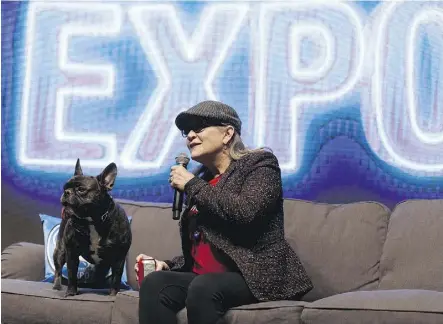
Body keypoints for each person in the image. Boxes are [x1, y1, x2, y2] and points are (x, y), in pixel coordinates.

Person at [136, 100, 313, 324]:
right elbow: (210, 243)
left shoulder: (260, 165)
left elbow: (246, 212)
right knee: (156, 283)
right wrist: (169, 265)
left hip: (254, 277)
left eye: (198, 127)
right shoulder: (204, 182)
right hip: (206, 279)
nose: (190, 135)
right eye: (186, 130)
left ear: (228, 133)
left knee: (205, 286)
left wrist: (191, 185)